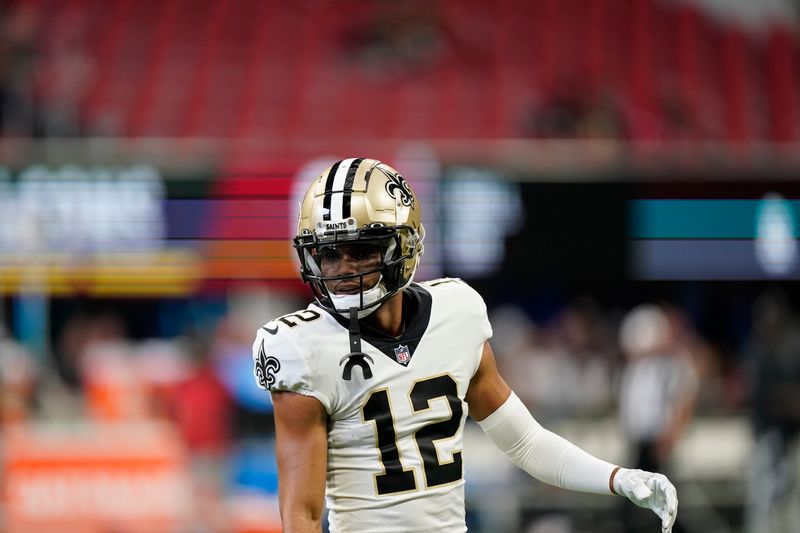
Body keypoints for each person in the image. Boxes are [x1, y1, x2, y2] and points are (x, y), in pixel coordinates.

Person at [252, 158, 678, 533]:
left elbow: (526, 442)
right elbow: (302, 516)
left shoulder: (457, 313)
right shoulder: (300, 347)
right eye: (328, 254)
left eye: (360, 250)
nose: (342, 269)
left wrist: (617, 478)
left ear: (404, 245)